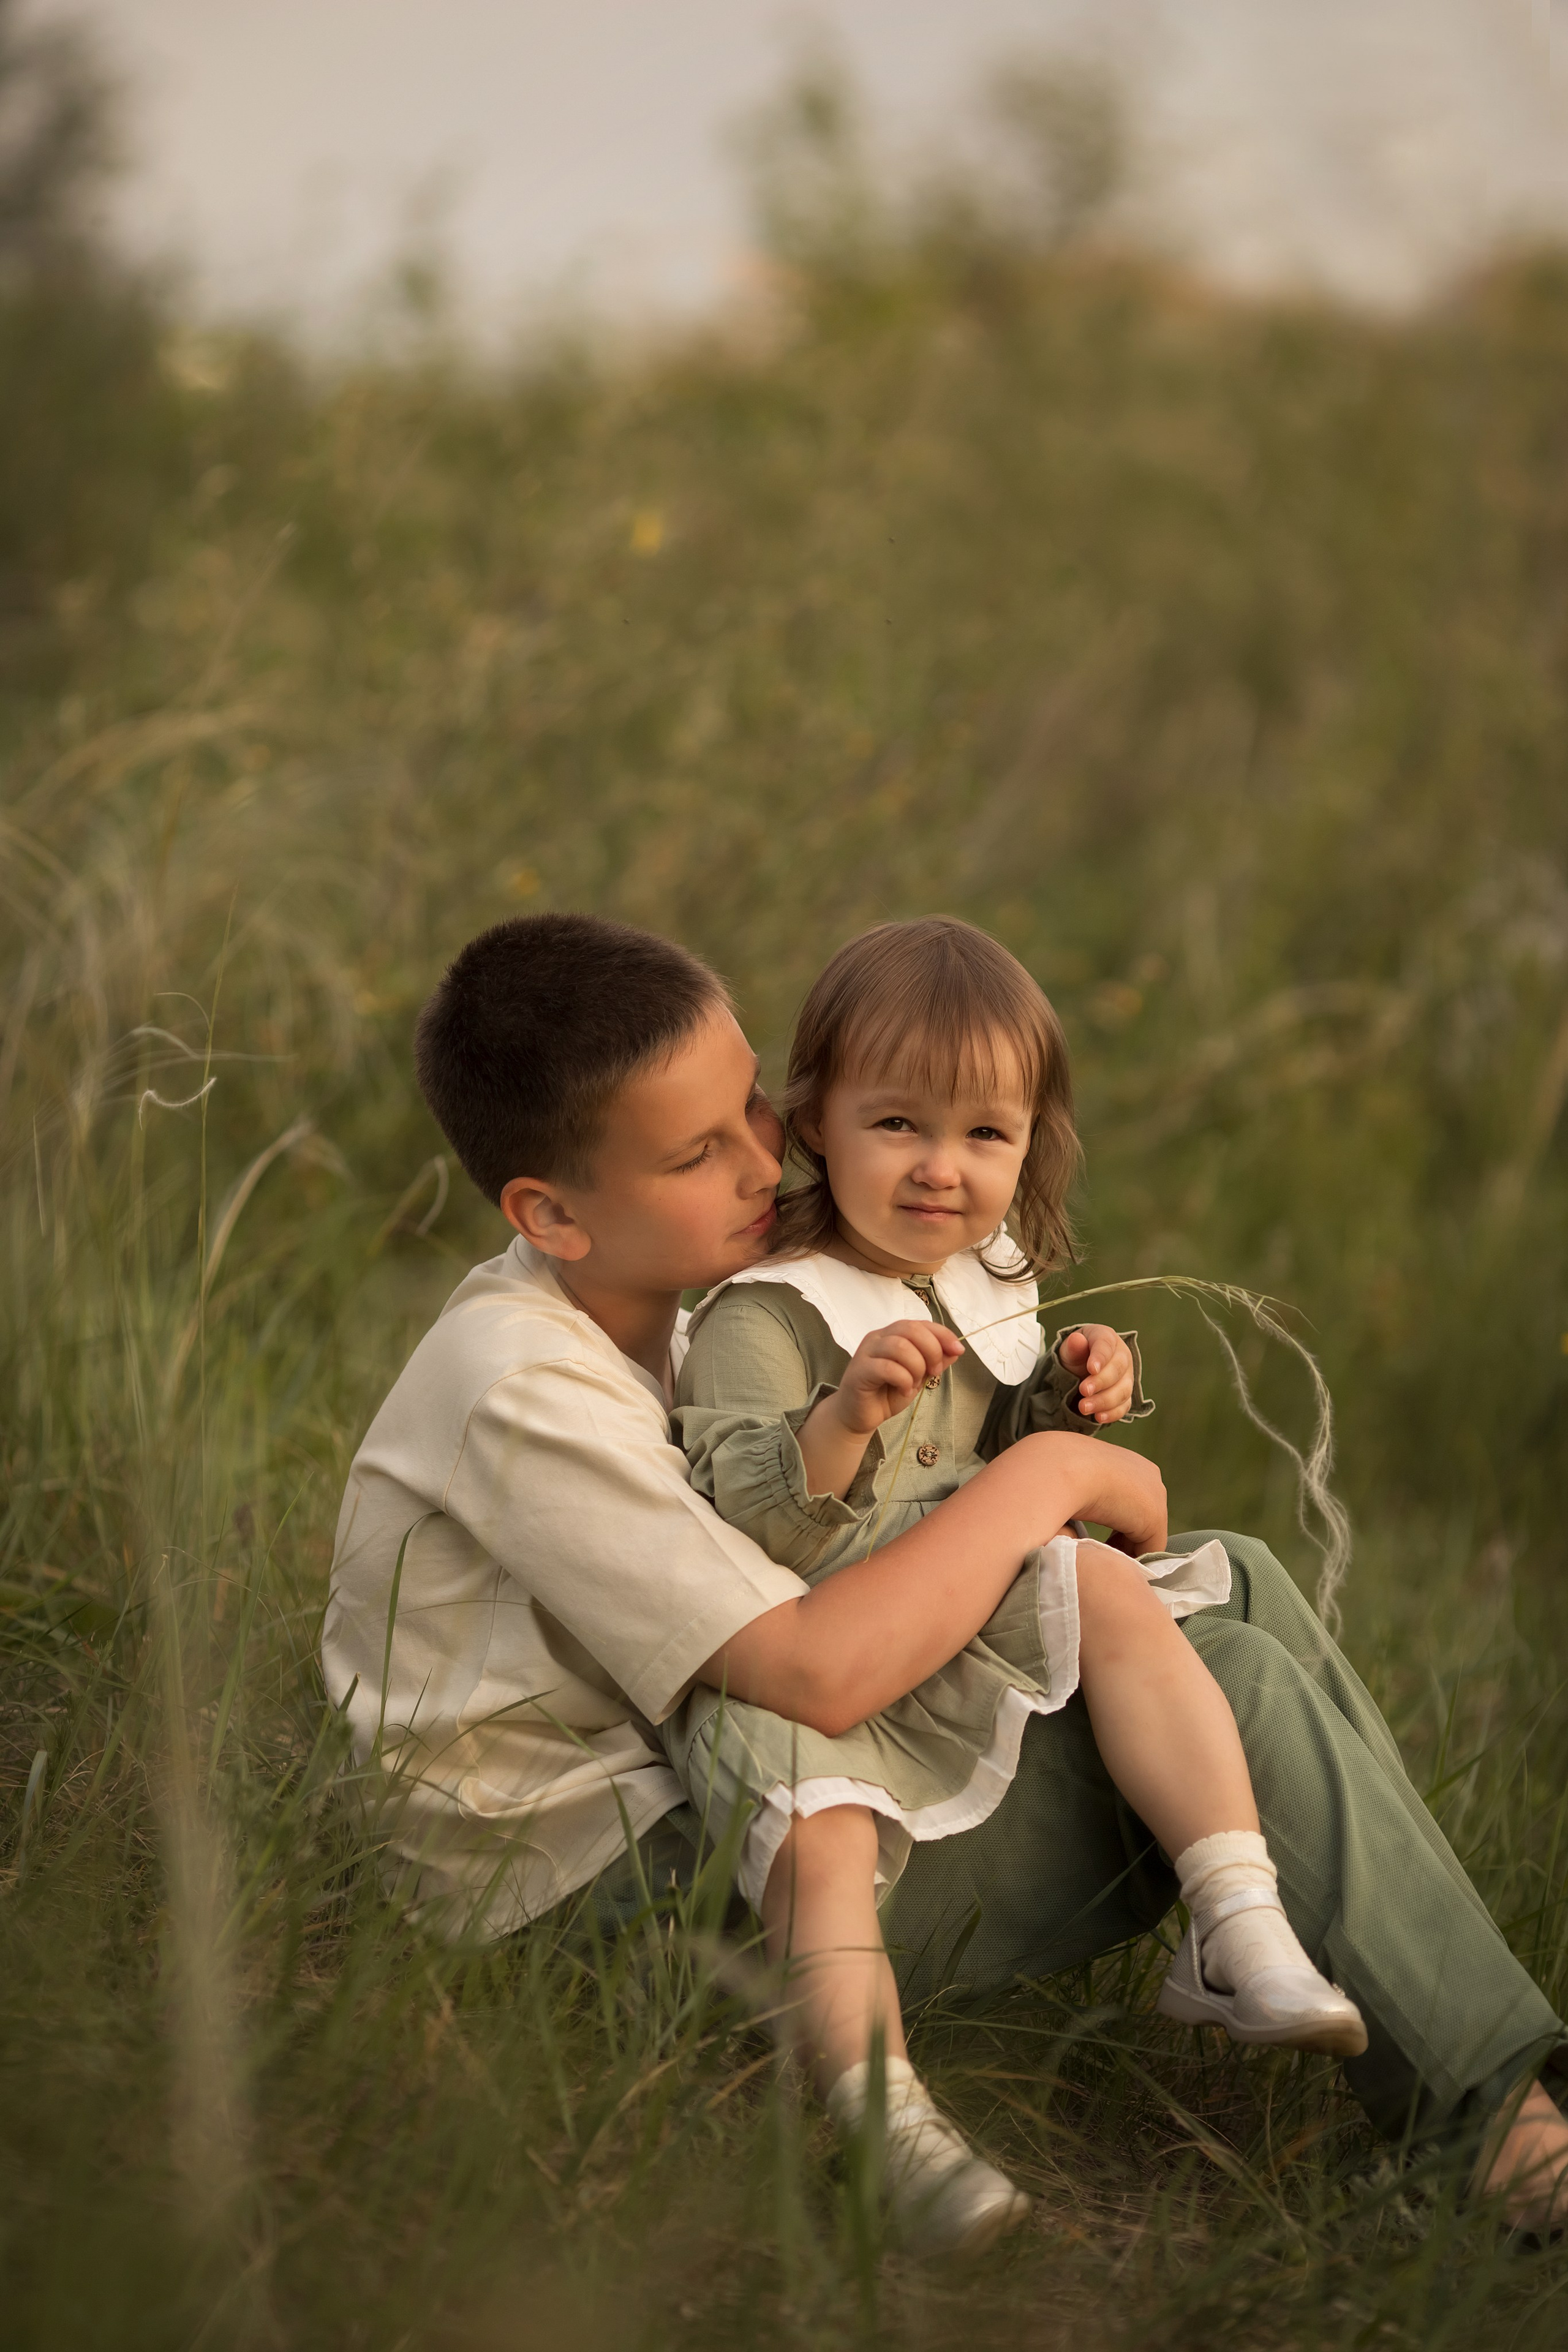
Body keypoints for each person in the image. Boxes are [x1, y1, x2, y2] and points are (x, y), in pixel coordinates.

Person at [322, 910, 1567, 2260]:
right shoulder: (520, 1387)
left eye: (754, 1106)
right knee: (1232, 1677)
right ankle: (1506, 2141)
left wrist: (1057, 1448)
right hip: (610, 1910)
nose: (765, 1162)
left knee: (1243, 1587)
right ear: (552, 1214)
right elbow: (815, 1670)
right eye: (695, 1155)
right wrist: (1052, 1480)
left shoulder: (666, 1300)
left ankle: (1448, 2042)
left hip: (707, 1808)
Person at [667, 917, 1366, 2246]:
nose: (942, 1168)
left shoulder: (982, 1285)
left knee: (1101, 1584)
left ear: (1030, 1144)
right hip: (812, 1661)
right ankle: (888, 2123)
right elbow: (752, 1520)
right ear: (815, 1125)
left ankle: (1236, 1918)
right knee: (819, 1842)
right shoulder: (770, 1309)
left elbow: (999, 1465)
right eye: (897, 1125)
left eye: (985, 1134)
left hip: (955, 1630)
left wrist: (1066, 1391)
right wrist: (844, 1417)